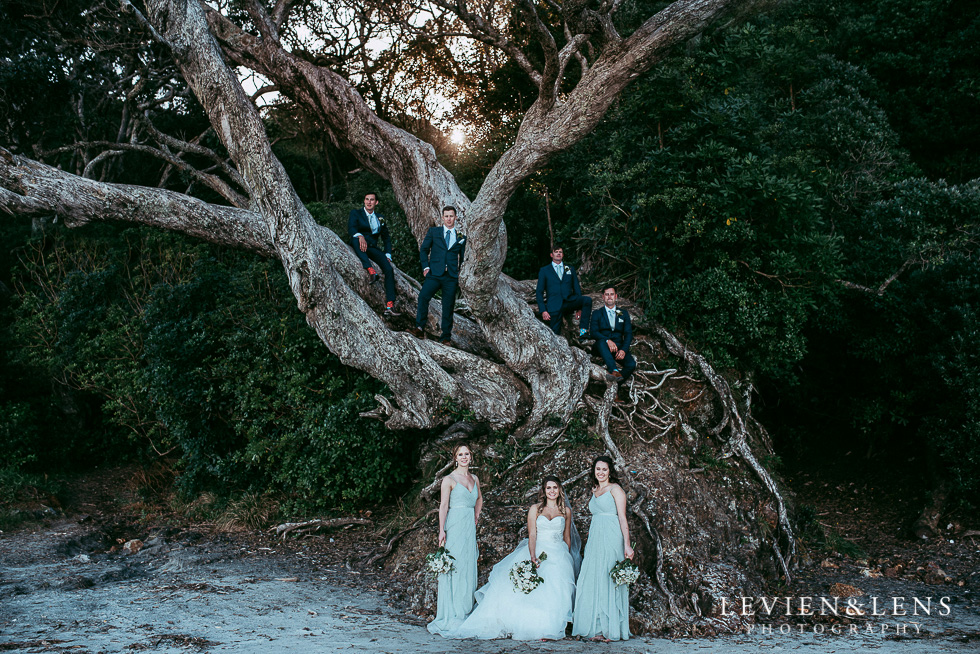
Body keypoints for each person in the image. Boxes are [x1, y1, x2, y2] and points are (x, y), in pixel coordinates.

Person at [449, 476, 579, 641]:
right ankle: (526, 625)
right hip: (538, 549)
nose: (552, 491)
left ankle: (549, 627)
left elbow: (566, 537)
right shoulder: (536, 509)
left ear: (560, 490)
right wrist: (532, 555)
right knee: (530, 590)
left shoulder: (565, 511)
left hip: (559, 553)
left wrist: (567, 558)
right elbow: (532, 534)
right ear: (544, 491)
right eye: (548, 488)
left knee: (555, 590)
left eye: (555, 487)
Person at [571, 455, 634, 642]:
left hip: (612, 535)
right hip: (595, 539)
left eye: (604, 469)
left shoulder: (616, 490)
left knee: (609, 577)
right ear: (594, 471)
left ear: (610, 471)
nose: (600, 472)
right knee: (593, 577)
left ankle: (610, 629)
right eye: (598, 469)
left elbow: (622, 518)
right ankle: (595, 627)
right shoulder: (595, 489)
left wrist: (627, 545)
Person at [428, 443, 482, 636]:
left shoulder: (474, 478)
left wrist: (476, 516)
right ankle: (453, 612)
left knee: (468, 564)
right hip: (455, 524)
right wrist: (441, 530)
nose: (464, 457)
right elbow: (443, 506)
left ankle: (466, 608)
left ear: (471, 457)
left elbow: (479, 499)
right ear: (455, 458)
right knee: (455, 565)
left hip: (469, 525)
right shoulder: (449, 479)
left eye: (467, 454)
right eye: (460, 454)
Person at [411, 206, 466, 345]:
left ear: (456, 218)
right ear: (442, 217)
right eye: (446, 216)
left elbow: (464, 258)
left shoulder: (461, 237)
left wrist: (460, 273)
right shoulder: (434, 232)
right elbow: (424, 250)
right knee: (423, 296)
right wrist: (425, 266)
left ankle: (445, 337)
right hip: (434, 274)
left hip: (451, 277)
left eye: (451, 216)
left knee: (448, 306)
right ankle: (419, 327)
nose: (448, 219)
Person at [347, 192, 399, 317]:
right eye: (367, 199)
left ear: (376, 202)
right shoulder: (356, 213)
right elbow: (351, 229)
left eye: (372, 200)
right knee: (356, 239)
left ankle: (390, 304)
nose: (369, 202)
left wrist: (388, 254)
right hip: (358, 245)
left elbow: (386, 238)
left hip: (372, 248)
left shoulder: (380, 218)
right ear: (364, 201)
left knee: (388, 269)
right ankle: (370, 270)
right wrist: (360, 236)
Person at [536, 246, 592, 338]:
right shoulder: (544, 270)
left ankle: (583, 332)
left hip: (569, 302)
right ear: (551, 255)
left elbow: (576, 287)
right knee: (554, 335)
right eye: (556, 252)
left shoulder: (569, 269)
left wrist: (579, 308)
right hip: (554, 306)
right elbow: (539, 292)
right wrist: (543, 310)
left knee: (587, 300)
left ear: (563, 255)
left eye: (560, 252)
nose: (558, 253)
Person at [590, 285, 637, 383]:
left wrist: (623, 350)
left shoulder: (623, 313)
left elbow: (628, 334)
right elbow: (593, 332)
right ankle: (614, 370)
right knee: (601, 342)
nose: (609, 297)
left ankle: (615, 387)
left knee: (631, 364)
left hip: (618, 347)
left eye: (612, 294)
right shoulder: (597, 313)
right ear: (603, 297)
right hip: (601, 347)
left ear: (616, 296)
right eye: (607, 295)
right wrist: (607, 340)